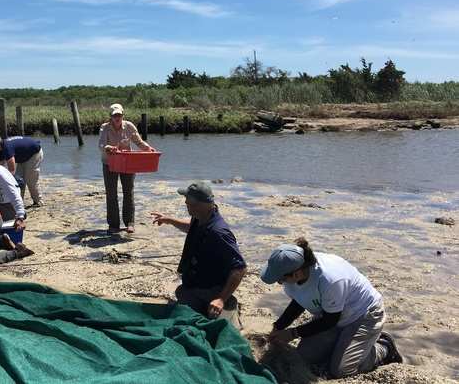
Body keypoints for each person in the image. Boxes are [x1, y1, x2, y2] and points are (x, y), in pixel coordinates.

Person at [260, 238, 403, 379]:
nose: (280, 283)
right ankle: (344, 346)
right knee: (304, 357)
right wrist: (278, 326)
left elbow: (330, 321)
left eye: (281, 279)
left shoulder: (330, 280)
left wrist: (292, 333)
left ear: (296, 273)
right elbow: (300, 301)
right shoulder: (298, 271)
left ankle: (383, 347)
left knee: (341, 370)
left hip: (363, 315)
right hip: (332, 313)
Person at [151, 181, 246, 325]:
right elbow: (191, 228)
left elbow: (240, 268)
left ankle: (226, 303)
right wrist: (169, 220)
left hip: (211, 289)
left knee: (211, 325)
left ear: (201, 204)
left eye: (189, 201)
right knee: (182, 293)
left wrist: (220, 299)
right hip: (194, 286)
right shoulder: (201, 217)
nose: (185, 203)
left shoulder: (219, 232)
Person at [98, 103, 155, 234]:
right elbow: (101, 144)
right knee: (111, 194)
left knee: (128, 192)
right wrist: (107, 148)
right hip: (109, 163)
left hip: (127, 163)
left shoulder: (129, 126)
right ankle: (113, 225)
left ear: (123, 115)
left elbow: (139, 141)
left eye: (119, 115)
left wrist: (148, 149)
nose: (117, 117)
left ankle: (130, 223)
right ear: (110, 117)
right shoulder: (104, 128)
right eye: (114, 115)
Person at [0, 133, 44, 207]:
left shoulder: (7, 147)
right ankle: (19, 202)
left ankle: (38, 201)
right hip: (23, 156)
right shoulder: (0, 150)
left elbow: (11, 170)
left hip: (34, 154)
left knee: (30, 179)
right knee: (19, 180)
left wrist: (5, 181)